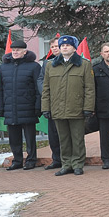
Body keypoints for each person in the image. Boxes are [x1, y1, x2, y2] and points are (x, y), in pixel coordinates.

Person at [41, 35, 95, 176]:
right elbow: (46, 89)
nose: (64, 47)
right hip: (58, 109)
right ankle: (66, 164)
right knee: (63, 139)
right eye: (62, 45)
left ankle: (77, 164)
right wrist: (45, 108)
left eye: (68, 45)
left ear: (74, 48)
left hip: (76, 108)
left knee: (77, 138)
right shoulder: (50, 66)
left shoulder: (84, 64)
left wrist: (88, 107)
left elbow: (89, 89)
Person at [0, 39, 41, 170]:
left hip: (28, 108)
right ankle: (17, 161)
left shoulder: (34, 66)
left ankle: (31, 160)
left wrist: (38, 106)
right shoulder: (4, 67)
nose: (15, 52)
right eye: (13, 50)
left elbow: (39, 89)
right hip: (10, 108)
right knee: (14, 138)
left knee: (30, 137)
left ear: (25, 52)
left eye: (18, 50)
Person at [38, 38, 62, 169]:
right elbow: (41, 80)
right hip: (52, 103)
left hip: (65, 103)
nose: (54, 48)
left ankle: (68, 160)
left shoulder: (69, 62)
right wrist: (46, 91)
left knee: (65, 134)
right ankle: (56, 159)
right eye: (52, 46)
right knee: (53, 134)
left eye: (57, 46)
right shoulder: (47, 63)